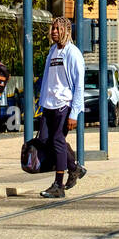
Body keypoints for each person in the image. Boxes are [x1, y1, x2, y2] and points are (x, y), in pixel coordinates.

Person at [38, 18, 85, 198]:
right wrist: (41, 101)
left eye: (58, 29)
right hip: (48, 104)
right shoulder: (52, 51)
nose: (54, 32)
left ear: (66, 30)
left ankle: (59, 185)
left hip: (64, 104)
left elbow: (78, 85)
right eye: (53, 29)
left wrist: (74, 113)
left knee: (57, 140)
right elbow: (48, 79)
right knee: (45, 140)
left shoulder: (72, 53)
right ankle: (74, 168)